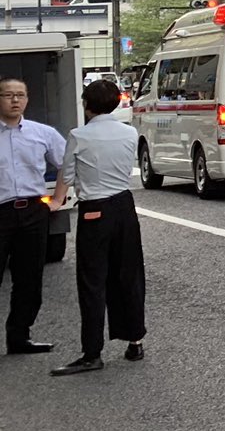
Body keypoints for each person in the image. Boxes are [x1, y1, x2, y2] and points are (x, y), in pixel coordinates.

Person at [50, 80, 143, 376]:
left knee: (93, 281)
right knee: (129, 274)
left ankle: (92, 353)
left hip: (95, 211)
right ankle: (135, 341)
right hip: (125, 207)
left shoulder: (79, 135)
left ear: (86, 105)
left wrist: (55, 201)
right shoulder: (129, 132)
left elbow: (67, 173)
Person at [0, 77, 64, 356]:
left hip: (33, 211)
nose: (15, 100)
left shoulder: (43, 133)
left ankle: (19, 337)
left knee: (29, 278)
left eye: (20, 95)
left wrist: (58, 198)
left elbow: (67, 164)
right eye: (8, 95)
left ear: (27, 99)